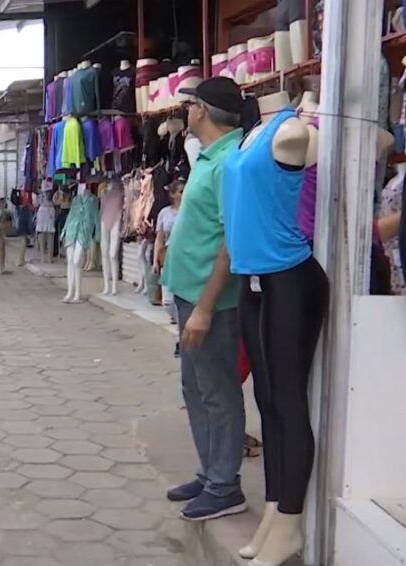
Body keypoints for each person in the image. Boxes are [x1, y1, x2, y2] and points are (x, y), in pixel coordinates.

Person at [160, 77, 246, 521]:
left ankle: (225, 485)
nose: (184, 112)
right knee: (195, 387)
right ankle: (211, 470)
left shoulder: (229, 161)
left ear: (202, 111)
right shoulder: (211, 157)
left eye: (189, 104)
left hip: (209, 301)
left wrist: (207, 309)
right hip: (188, 294)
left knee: (217, 391)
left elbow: (232, 244)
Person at [154, 179, 185, 328]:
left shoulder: (190, 211)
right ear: (173, 194)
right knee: (167, 301)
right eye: (180, 191)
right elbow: (159, 238)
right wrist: (155, 260)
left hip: (184, 258)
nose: (183, 194)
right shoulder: (164, 213)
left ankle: (181, 335)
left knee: (181, 297)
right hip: (167, 257)